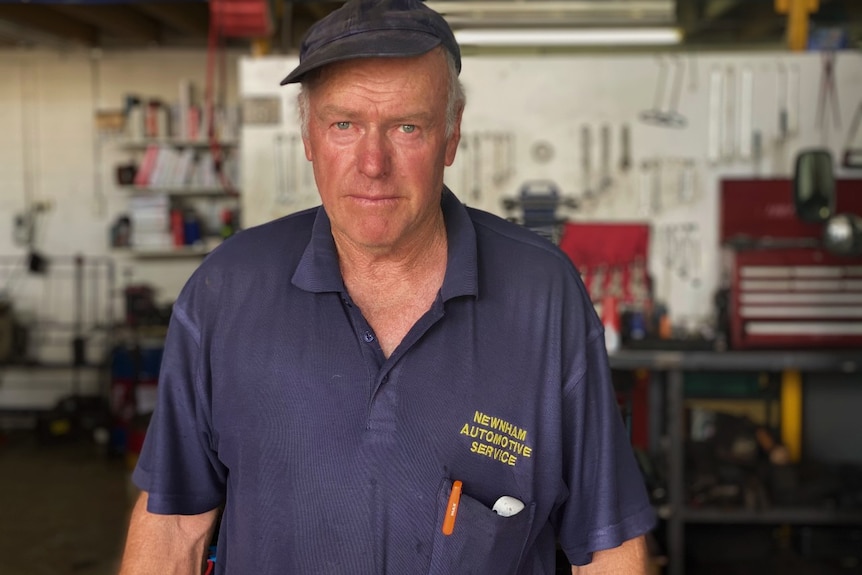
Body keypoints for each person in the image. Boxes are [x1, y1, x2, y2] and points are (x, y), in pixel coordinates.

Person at [118, 0, 656, 573]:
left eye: (407, 126)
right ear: (308, 135)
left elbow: (608, 545)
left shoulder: (543, 297)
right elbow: (175, 524)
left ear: (451, 135)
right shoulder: (225, 292)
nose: (372, 163)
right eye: (343, 125)